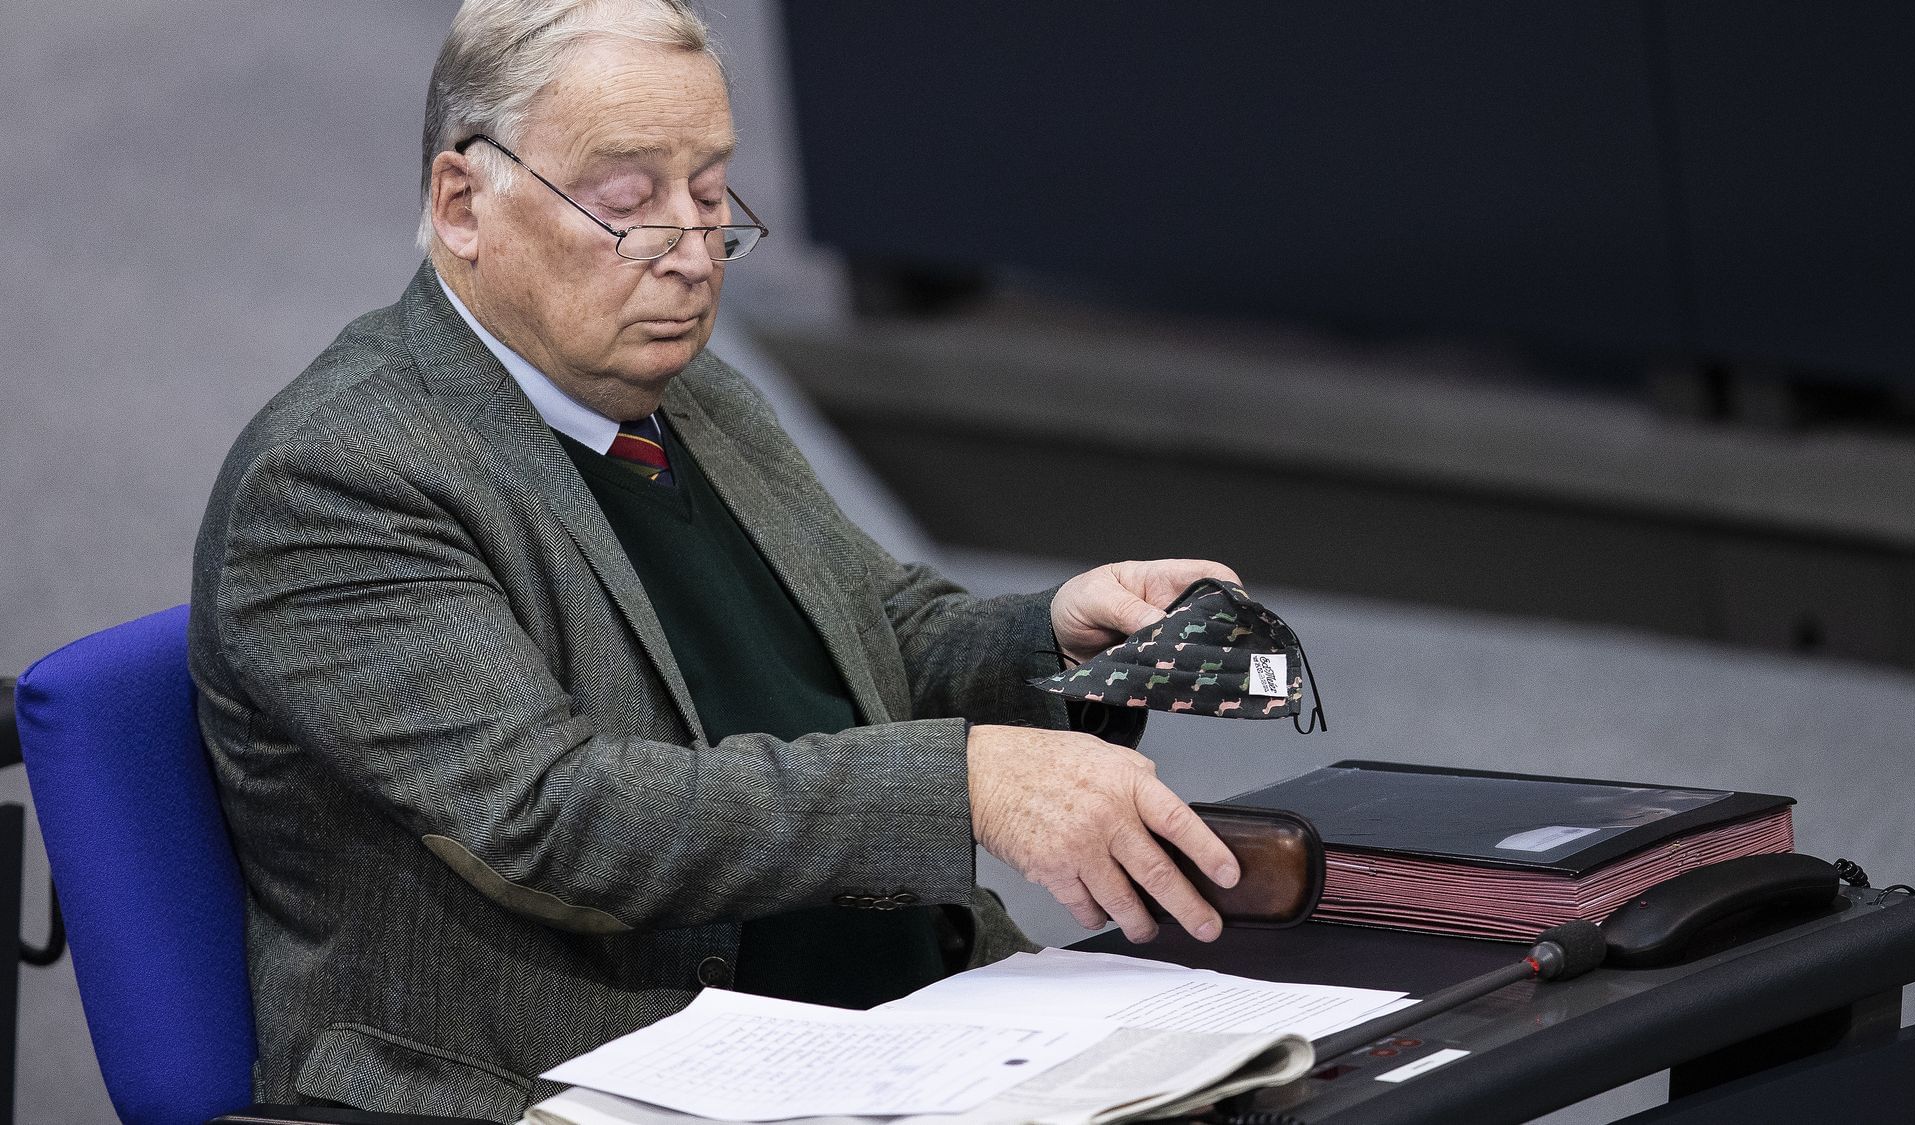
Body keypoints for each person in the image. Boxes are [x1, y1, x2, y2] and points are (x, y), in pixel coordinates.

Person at [190, 0, 1243, 1117]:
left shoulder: (689, 397)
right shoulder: (337, 477)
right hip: (588, 1073)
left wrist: (1053, 635)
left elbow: (874, 638)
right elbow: (557, 817)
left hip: (902, 1023)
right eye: (630, 203)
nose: (693, 255)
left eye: (708, 193)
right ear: (464, 203)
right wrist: (964, 782)